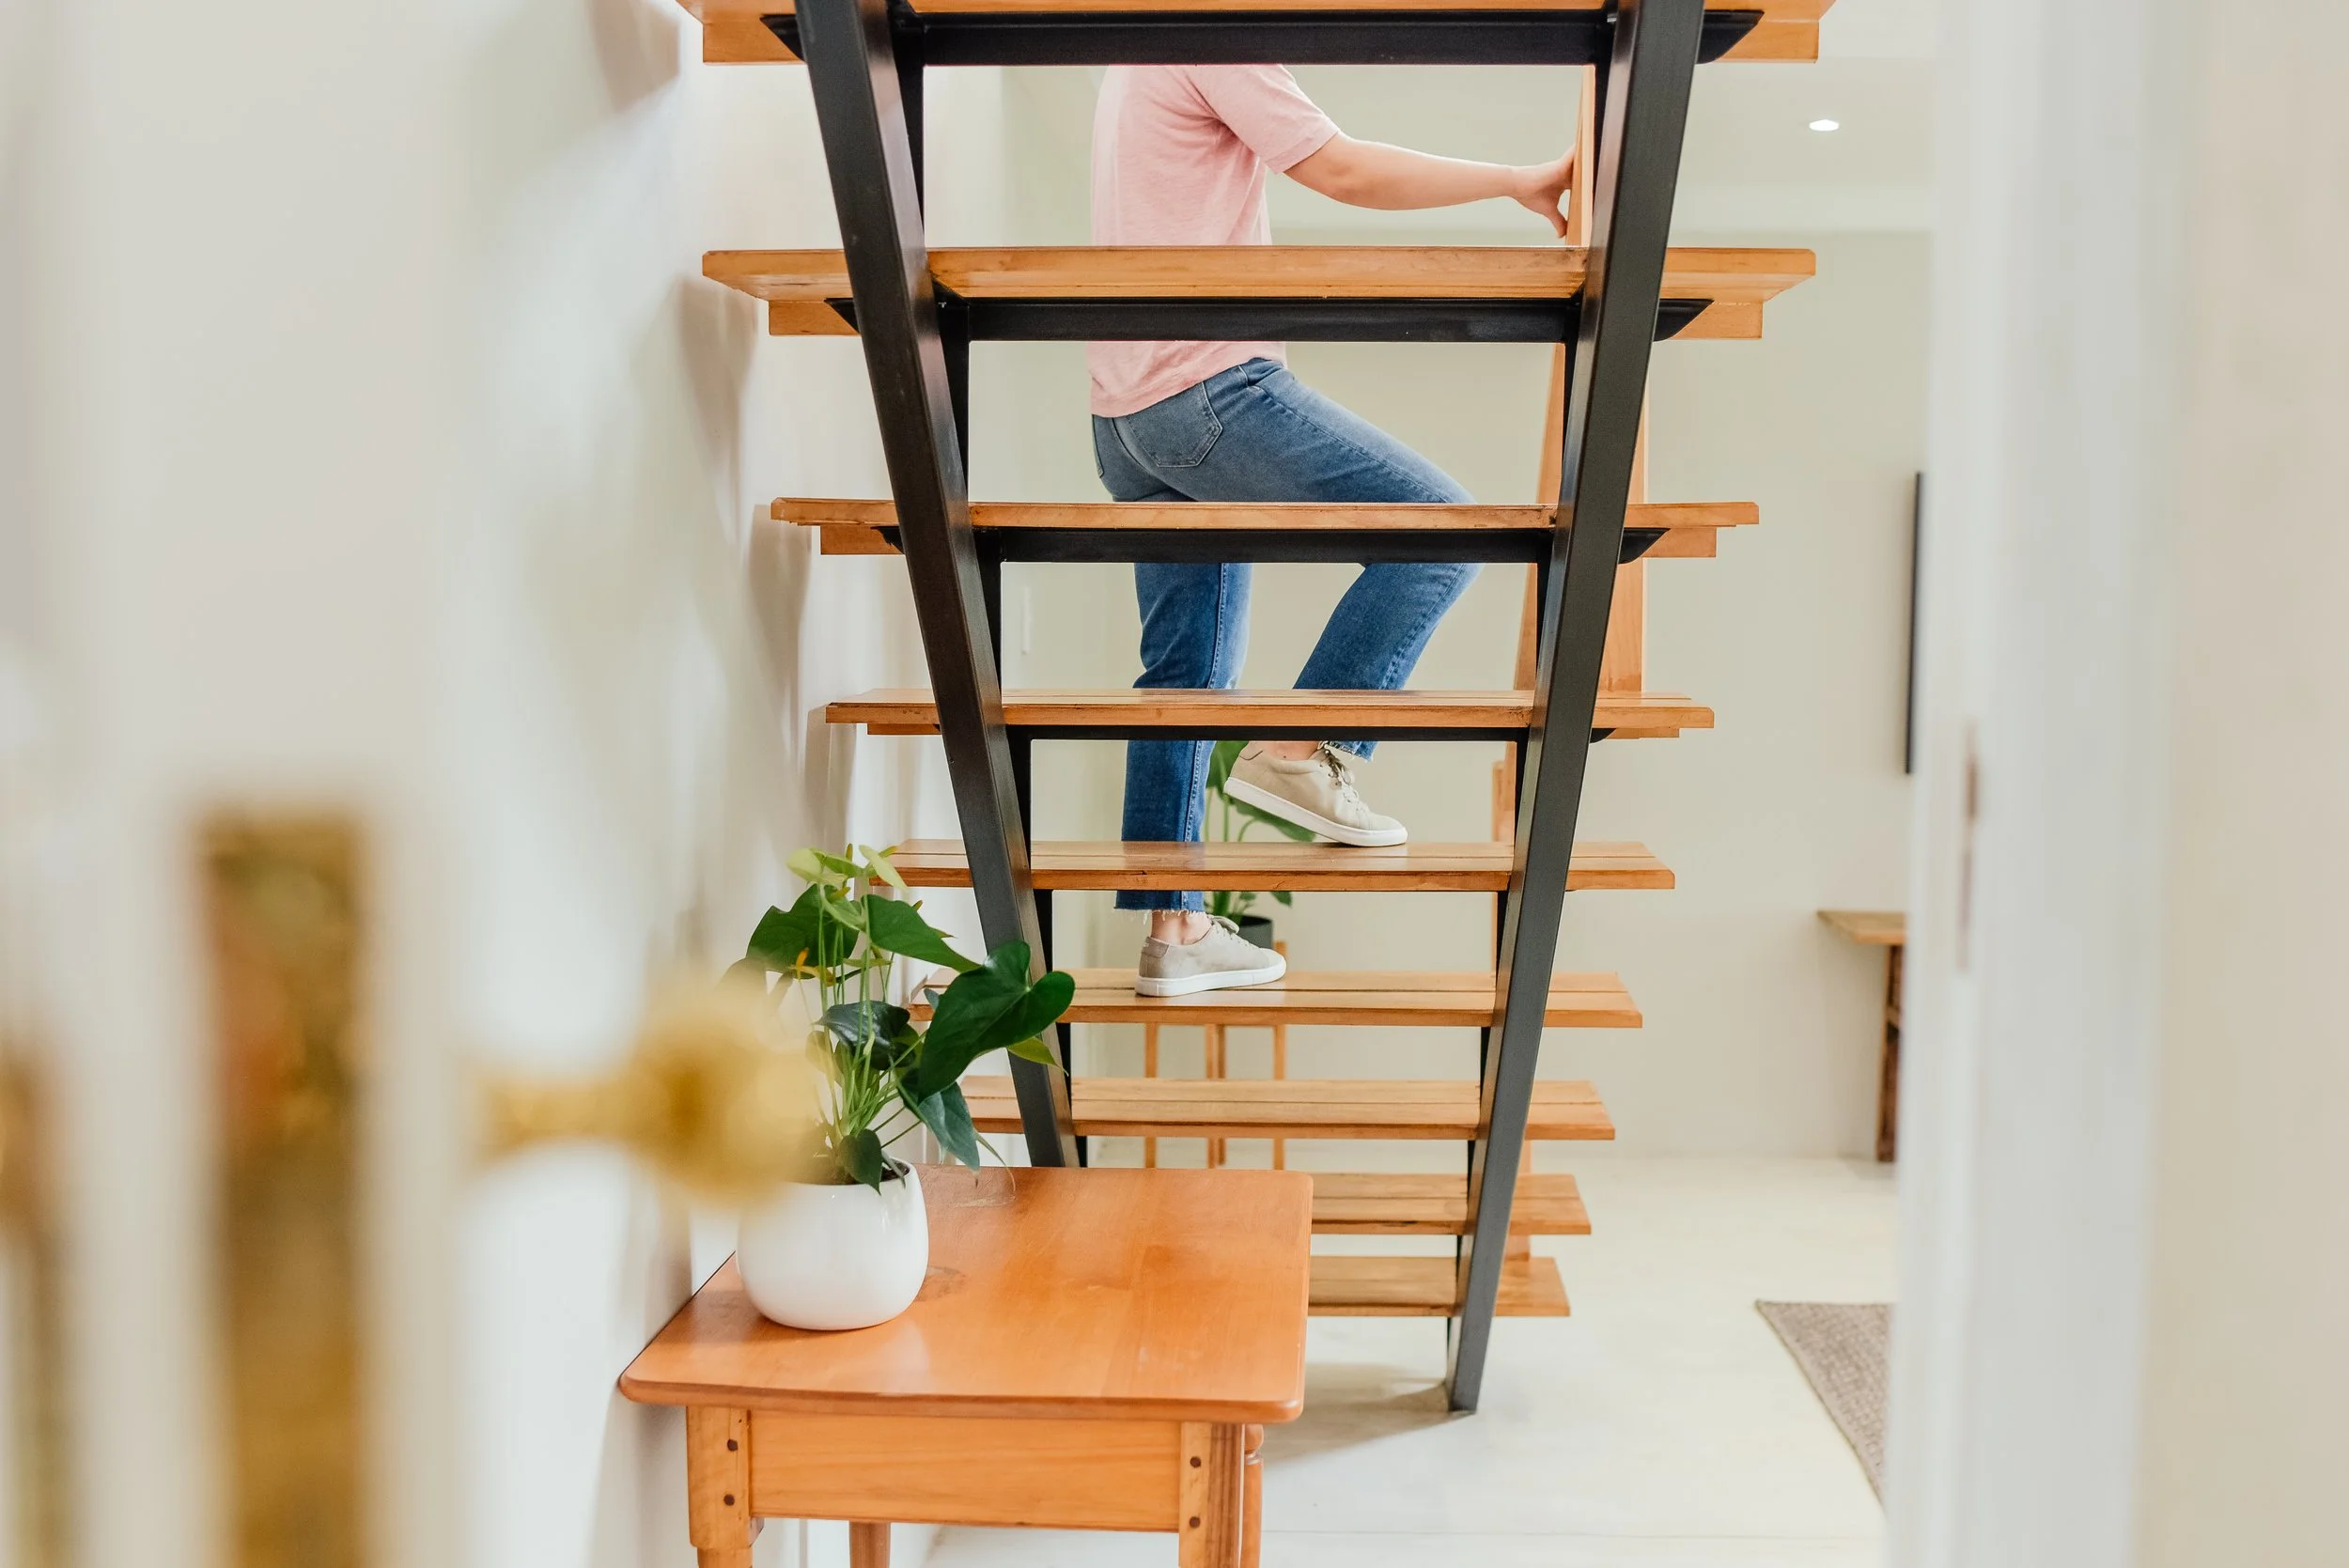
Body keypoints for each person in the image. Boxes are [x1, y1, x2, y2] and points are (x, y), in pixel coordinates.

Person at [1094, 63, 1576, 999]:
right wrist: (1518, 178)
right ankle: (1298, 751)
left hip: (1124, 415)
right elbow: (1340, 170)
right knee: (1443, 526)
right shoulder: (1210, 26)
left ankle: (1176, 929)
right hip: (1206, 387)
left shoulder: (1132, 43)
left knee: (1183, 679)